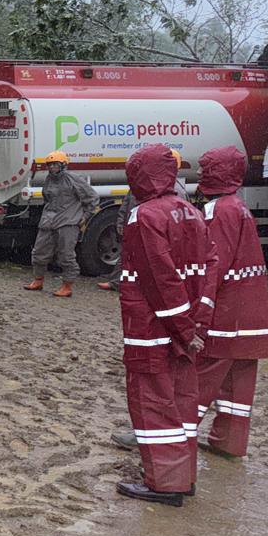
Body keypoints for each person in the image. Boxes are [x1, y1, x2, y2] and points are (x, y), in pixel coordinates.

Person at [115, 144, 215, 507]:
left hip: (152, 328)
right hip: (183, 328)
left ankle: (164, 483)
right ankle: (182, 476)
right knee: (181, 401)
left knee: (152, 403)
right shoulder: (191, 211)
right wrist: (194, 326)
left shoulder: (144, 216)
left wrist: (184, 329)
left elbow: (160, 280)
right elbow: (208, 269)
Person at [194, 145, 268, 458]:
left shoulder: (218, 210)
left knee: (199, 379)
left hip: (228, 314)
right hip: (252, 314)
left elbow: (214, 264)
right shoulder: (239, 207)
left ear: (217, 172)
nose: (200, 174)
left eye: (205, 168)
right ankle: (229, 442)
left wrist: (200, 310)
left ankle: (170, 438)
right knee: (238, 385)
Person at [98, 153, 190, 292]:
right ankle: (118, 282)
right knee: (127, 254)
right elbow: (126, 204)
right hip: (134, 225)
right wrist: (121, 222)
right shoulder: (141, 182)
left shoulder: (176, 191)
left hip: (147, 228)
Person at [25, 151, 98, 298]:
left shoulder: (73, 179)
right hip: (48, 221)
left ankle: (67, 286)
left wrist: (84, 217)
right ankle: (38, 280)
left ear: (63, 165)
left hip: (68, 223)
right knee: (39, 252)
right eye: (50, 165)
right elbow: (47, 198)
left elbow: (92, 198)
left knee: (66, 255)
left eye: (55, 164)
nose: (52, 167)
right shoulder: (49, 179)